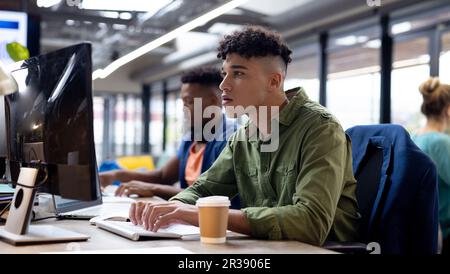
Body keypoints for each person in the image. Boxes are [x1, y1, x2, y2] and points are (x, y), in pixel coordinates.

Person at [129, 26, 359, 246]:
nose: (223, 86)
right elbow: (204, 190)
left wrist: (206, 214)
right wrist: (172, 208)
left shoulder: (320, 129)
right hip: (267, 247)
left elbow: (310, 222)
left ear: (274, 81)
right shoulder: (243, 136)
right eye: (224, 74)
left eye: (238, 74)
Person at [99, 67, 238, 202]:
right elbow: (163, 176)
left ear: (214, 101)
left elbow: (210, 196)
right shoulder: (192, 137)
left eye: (189, 102)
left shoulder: (230, 139)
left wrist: (153, 189)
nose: (183, 109)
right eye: (182, 102)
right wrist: (115, 175)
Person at [411, 77, 450, 254]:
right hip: (444, 229)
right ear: (448, 111)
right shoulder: (441, 142)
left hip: (422, 226)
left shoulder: (413, 137)